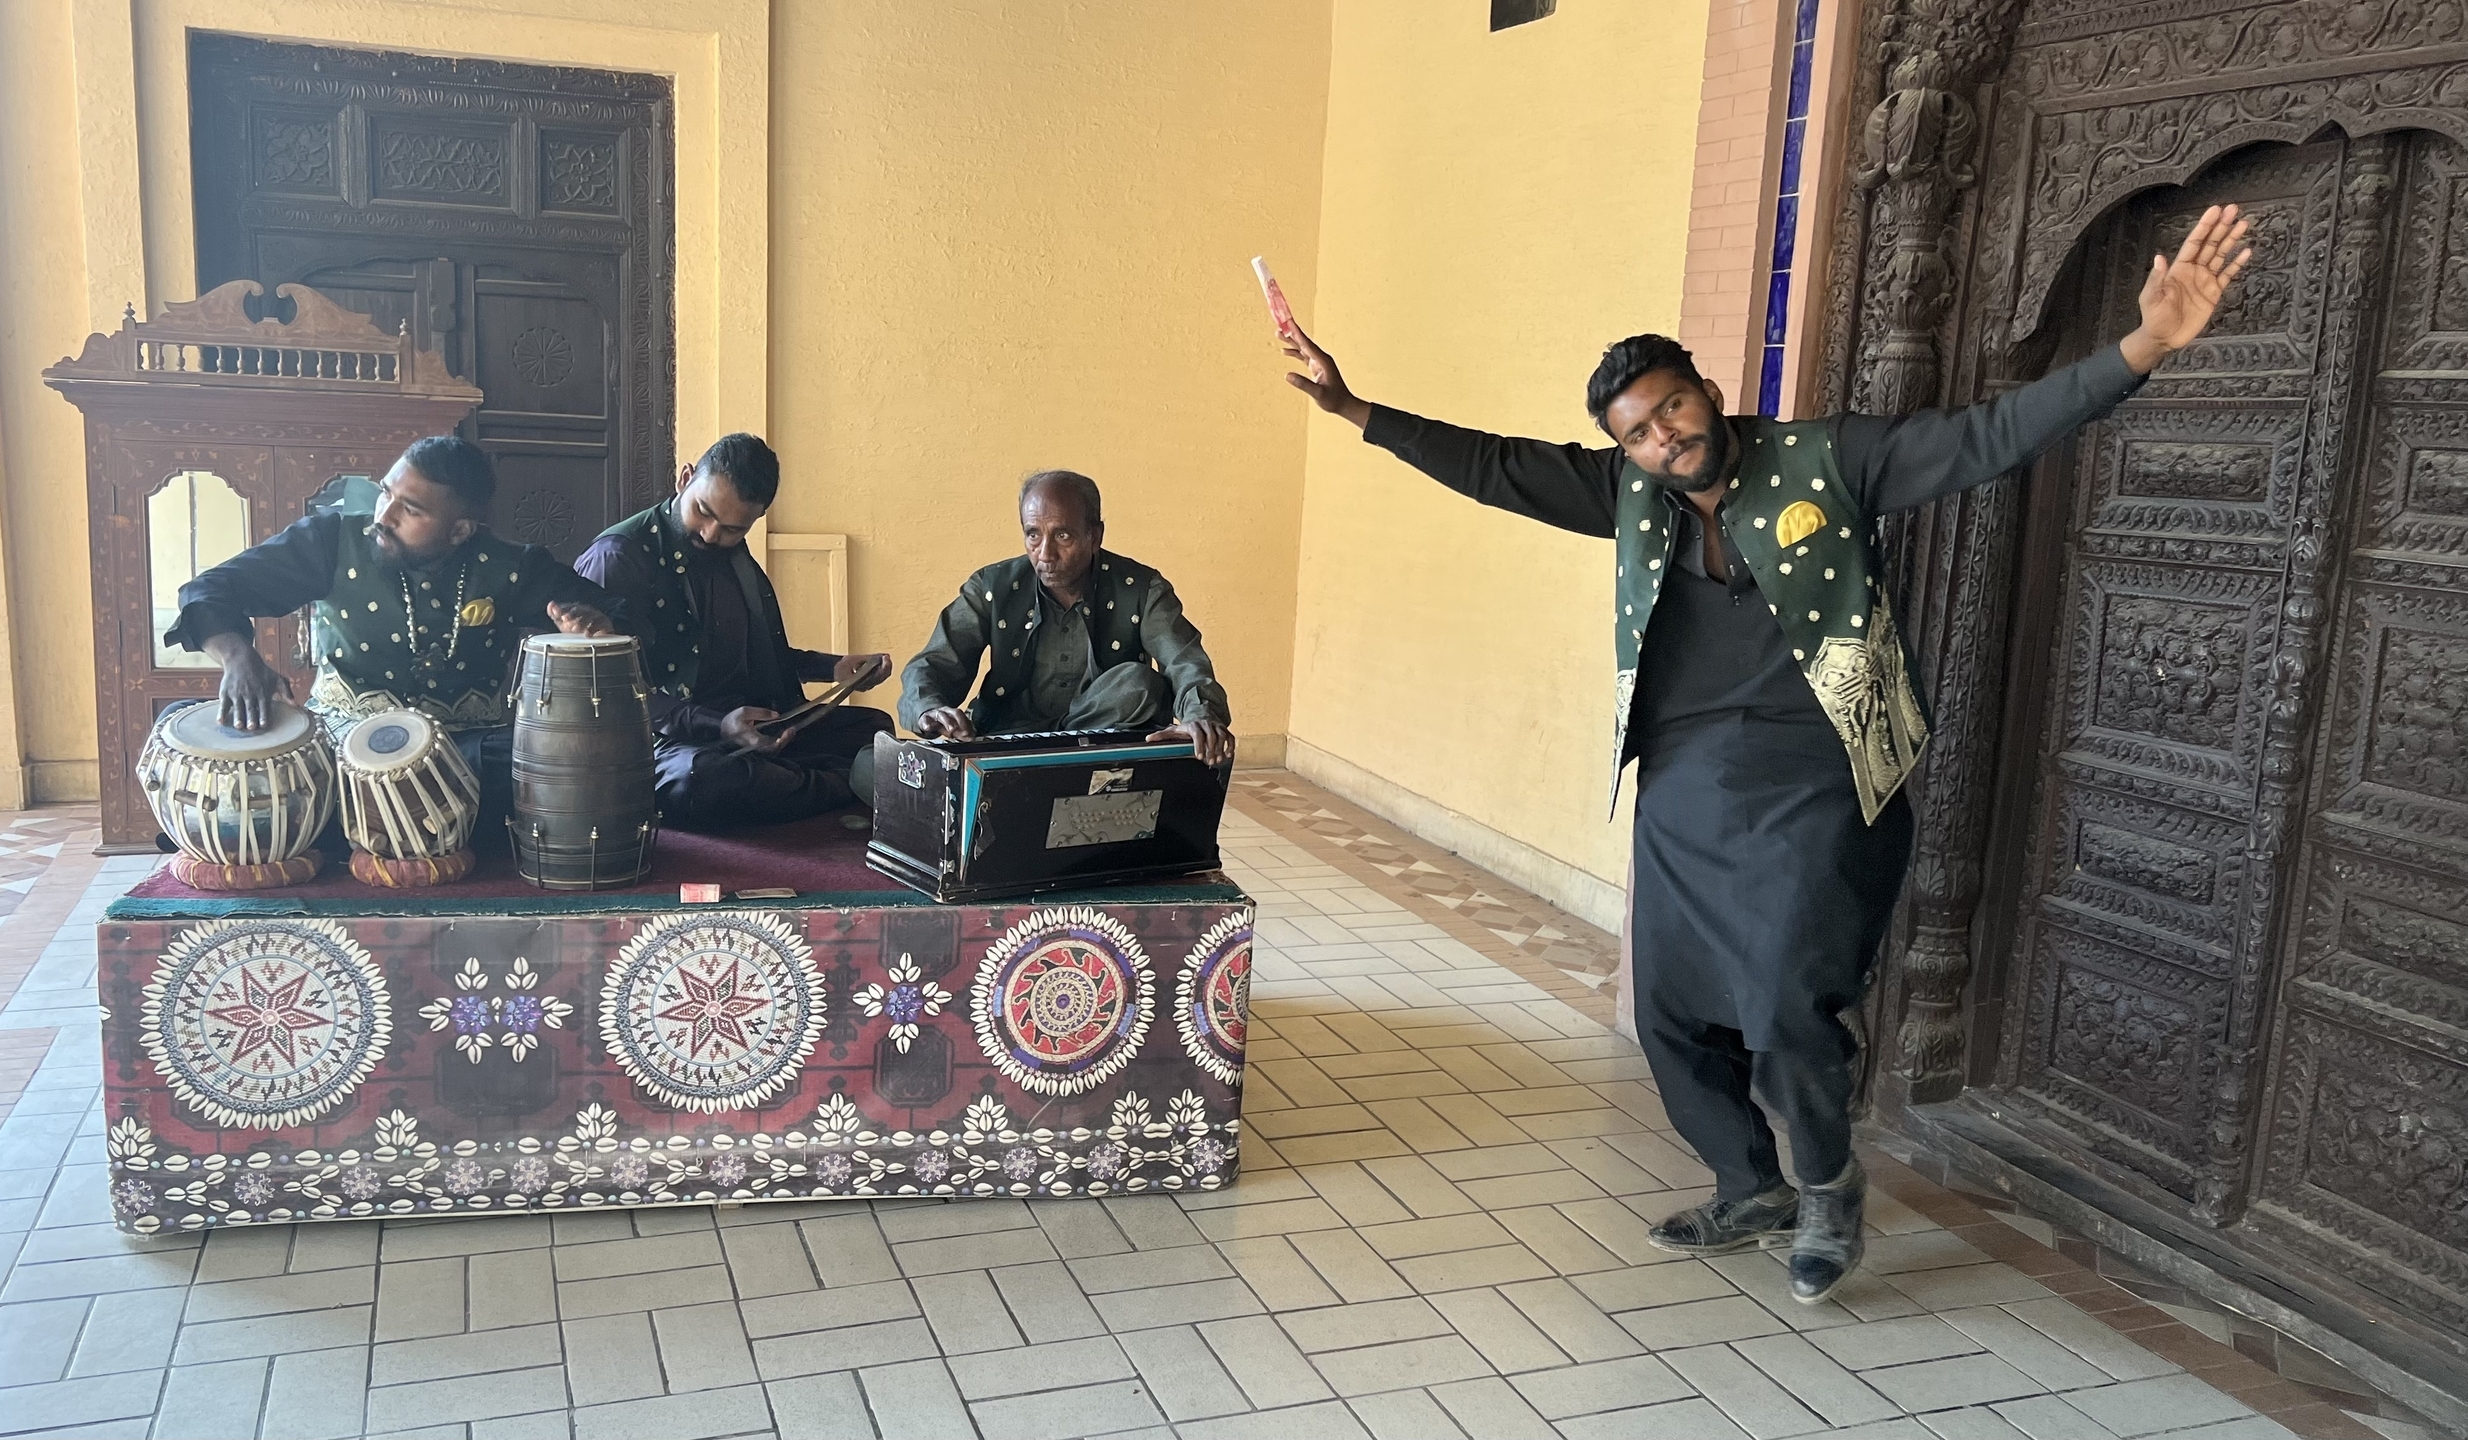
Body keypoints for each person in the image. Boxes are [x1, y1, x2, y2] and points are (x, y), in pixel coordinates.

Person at [1279, 206, 2254, 1303]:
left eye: (1671, 408)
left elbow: (1989, 434)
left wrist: (2143, 345)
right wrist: (1351, 407)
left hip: (1820, 770)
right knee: (1667, 1011)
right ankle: (1749, 1185)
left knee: (1786, 1000)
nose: (1663, 439)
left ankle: (1828, 1185)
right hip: (1685, 781)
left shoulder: (1827, 458)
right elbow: (1493, 466)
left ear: (1704, 388)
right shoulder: (1627, 495)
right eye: (1637, 434)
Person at [166, 434, 618, 836]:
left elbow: (611, 614)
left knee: (546, 761)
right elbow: (209, 590)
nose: (384, 515)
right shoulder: (331, 542)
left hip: (464, 751)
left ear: (460, 530)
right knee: (182, 720)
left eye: (411, 509)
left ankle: (347, 830)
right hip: (341, 741)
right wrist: (238, 658)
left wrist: (592, 629)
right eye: (386, 492)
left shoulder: (511, 566)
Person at [575, 434, 894, 829]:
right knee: (702, 778)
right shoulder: (618, 557)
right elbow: (608, 694)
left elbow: (751, 655)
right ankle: (842, 784)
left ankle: (799, 783)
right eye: (703, 512)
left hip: (743, 726)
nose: (711, 534)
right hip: (662, 741)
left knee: (872, 728)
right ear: (685, 478)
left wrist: (833, 668)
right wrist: (718, 725)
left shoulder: (730, 556)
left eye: (732, 529)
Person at [899, 469, 1235, 765]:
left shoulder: (1141, 588)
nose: (1045, 554)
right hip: (1006, 737)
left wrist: (1200, 716)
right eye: (1033, 534)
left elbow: (1183, 659)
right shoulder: (992, 587)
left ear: (1095, 536)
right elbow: (934, 662)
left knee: (1138, 683)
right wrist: (929, 709)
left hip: (1105, 740)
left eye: (1063, 536)